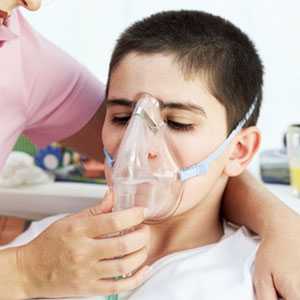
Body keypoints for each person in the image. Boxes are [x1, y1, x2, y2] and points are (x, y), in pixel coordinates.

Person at [1, 1, 300, 299]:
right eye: (121, 118)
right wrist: (27, 270)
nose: (137, 146)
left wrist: (284, 226)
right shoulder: (50, 244)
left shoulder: (256, 279)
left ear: (239, 150)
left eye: (178, 122)